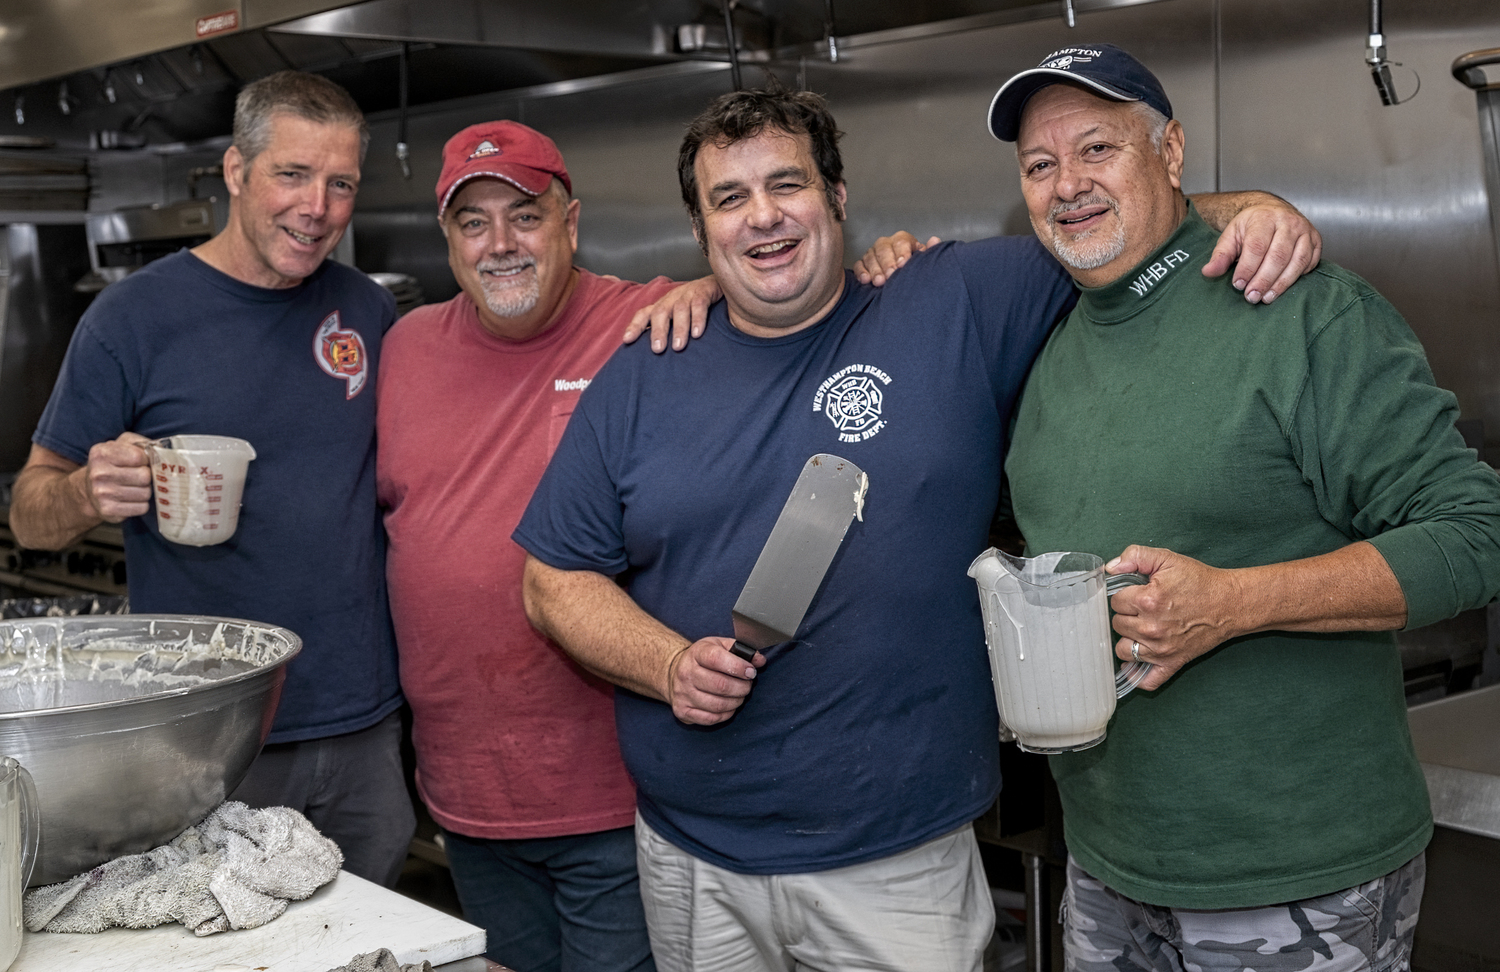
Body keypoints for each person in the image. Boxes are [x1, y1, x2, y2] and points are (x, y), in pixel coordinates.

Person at [512, 79, 1322, 972]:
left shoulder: (954, 301)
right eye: (729, 199)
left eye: (787, 185)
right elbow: (554, 578)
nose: (763, 217)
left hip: (900, 865)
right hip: (693, 862)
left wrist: (1257, 209)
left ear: (838, 199)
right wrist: (664, 663)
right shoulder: (647, 366)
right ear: (703, 232)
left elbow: (1109, 220)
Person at [985, 44, 1500, 970]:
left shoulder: (1301, 313)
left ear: (1171, 154)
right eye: (1039, 164)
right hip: (1107, 867)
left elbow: (1476, 530)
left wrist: (1230, 605)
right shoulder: (1049, 342)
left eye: (1097, 148)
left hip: (1295, 875)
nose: (1068, 184)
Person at [10, 71, 414, 887]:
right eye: (291, 175)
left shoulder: (369, 313)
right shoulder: (132, 319)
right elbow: (28, 512)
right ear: (236, 171)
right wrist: (89, 490)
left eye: (341, 184)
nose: (317, 208)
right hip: (209, 740)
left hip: (366, 730)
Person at [375, 120, 718, 972]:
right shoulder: (406, 347)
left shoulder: (651, 321)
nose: (500, 244)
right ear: (449, 238)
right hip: (465, 797)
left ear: (570, 222)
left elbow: (786, 289)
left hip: (612, 793)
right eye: (473, 221)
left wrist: (721, 284)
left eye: (525, 214)